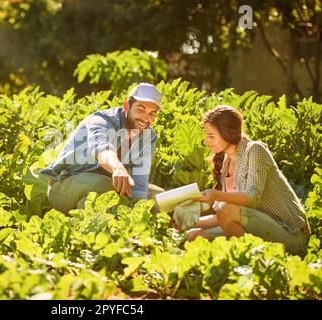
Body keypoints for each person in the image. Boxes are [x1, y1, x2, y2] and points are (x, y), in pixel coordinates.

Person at [188, 105, 311, 256]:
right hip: (255, 228)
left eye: (211, 136)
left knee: (226, 208)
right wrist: (188, 221)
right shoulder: (226, 164)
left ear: (228, 133)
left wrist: (215, 195)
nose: (206, 141)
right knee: (194, 236)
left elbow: (252, 198)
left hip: (290, 233)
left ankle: (249, 263)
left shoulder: (255, 150)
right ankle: (244, 261)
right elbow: (222, 216)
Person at [39, 83, 165, 214]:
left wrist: (139, 211)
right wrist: (118, 168)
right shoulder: (101, 121)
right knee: (106, 187)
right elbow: (102, 150)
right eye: (141, 110)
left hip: (108, 187)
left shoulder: (148, 136)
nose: (146, 118)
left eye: (152, 113)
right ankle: (87, 226)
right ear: (126, 106)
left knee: (160, 197)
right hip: (63, 187)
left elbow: (139, 184)